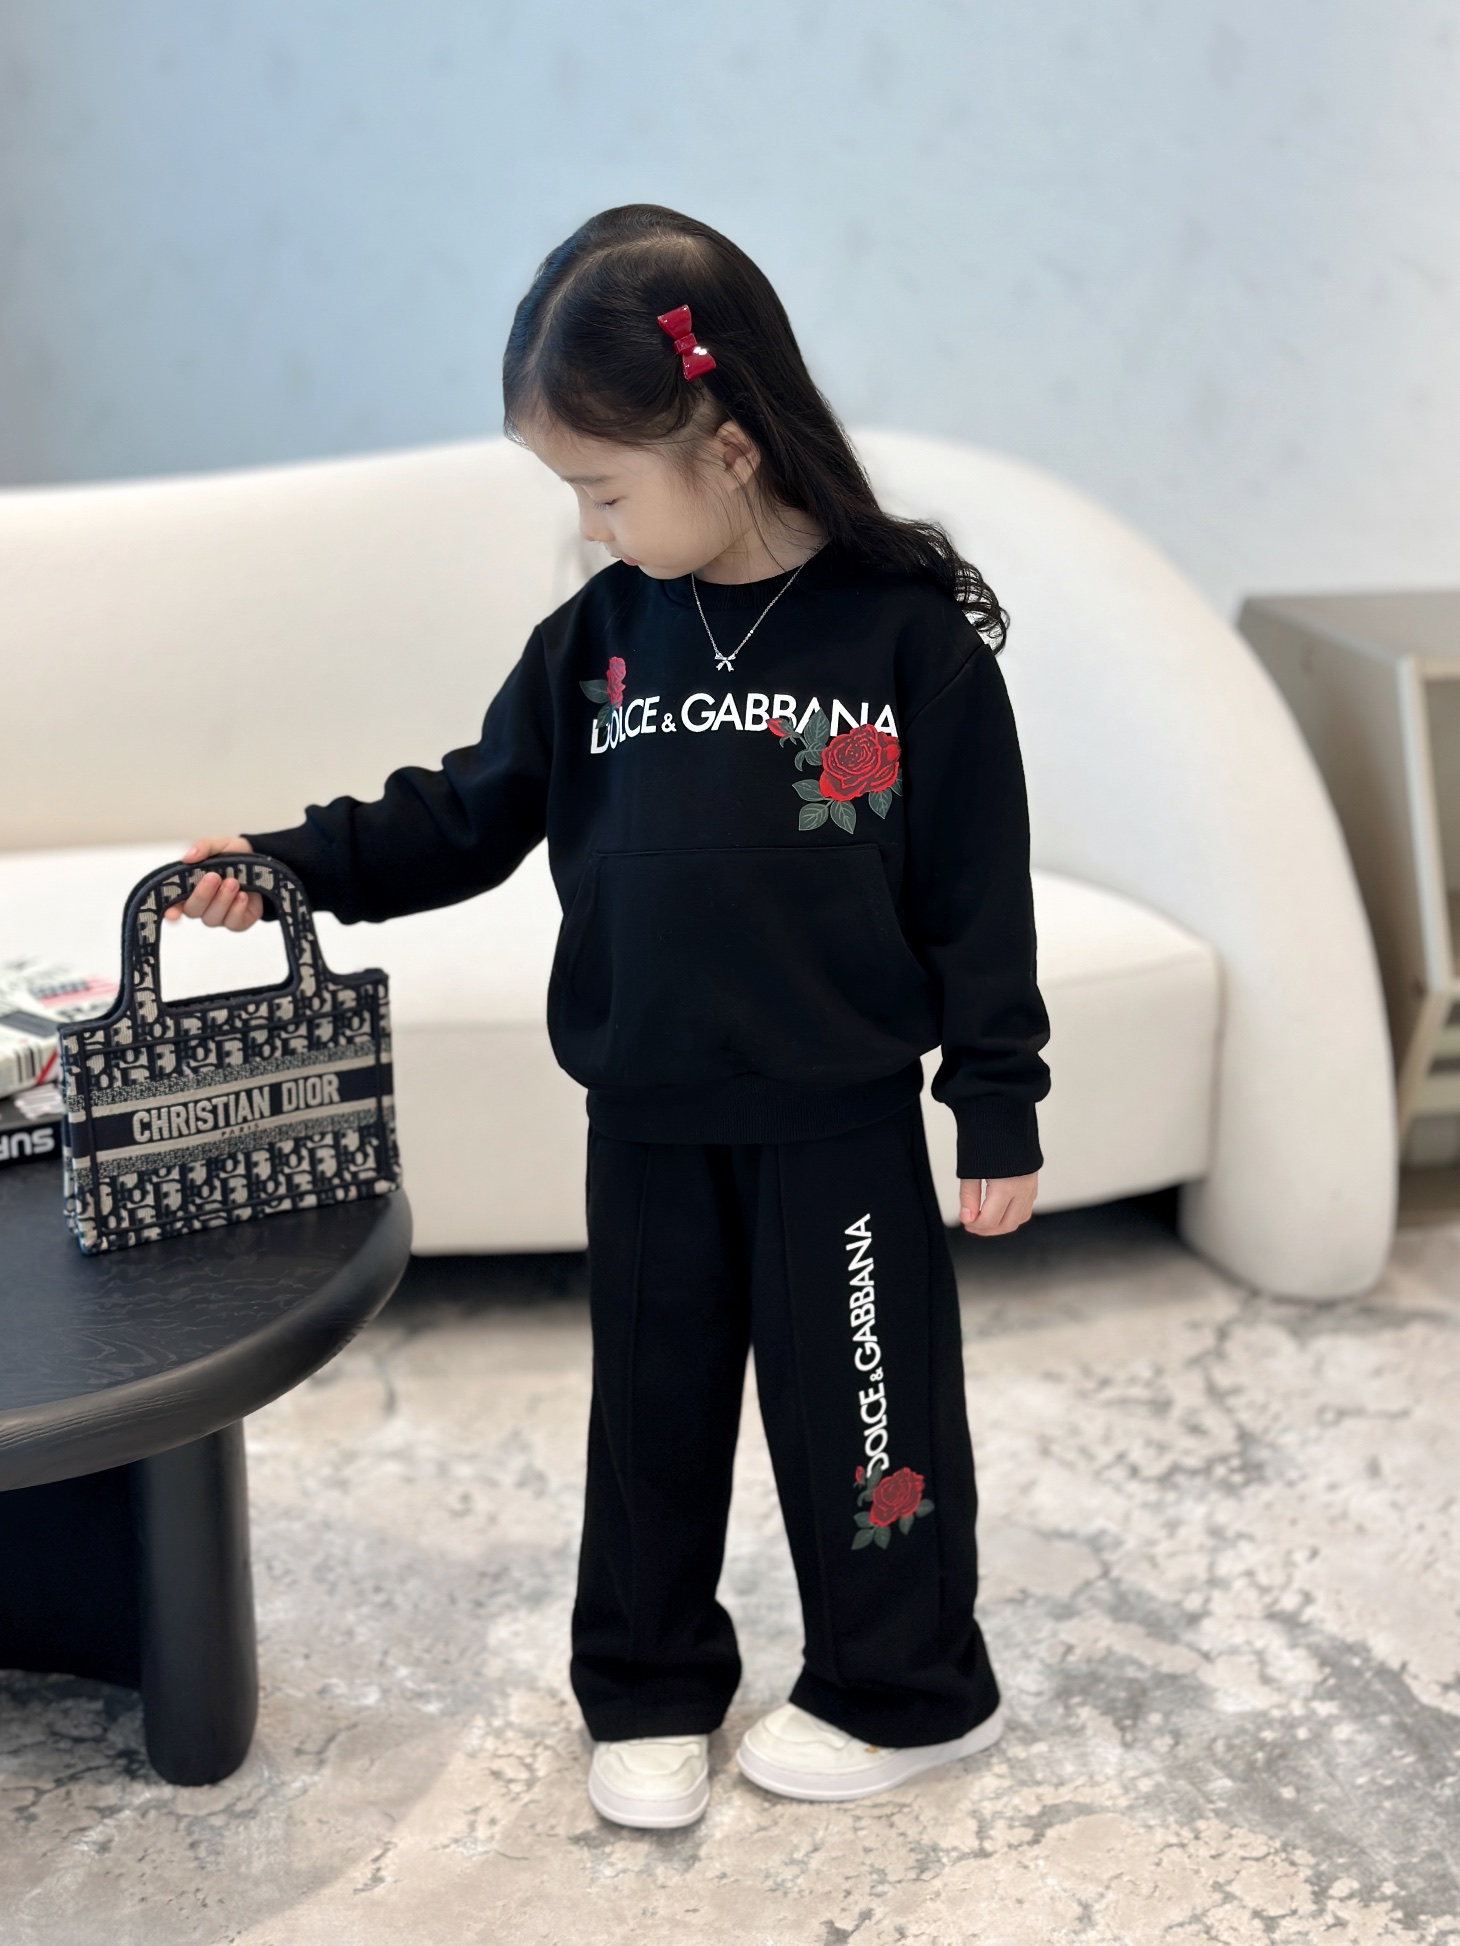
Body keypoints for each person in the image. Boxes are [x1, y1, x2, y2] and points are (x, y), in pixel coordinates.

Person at [165, 205, 1051, 1831]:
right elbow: (462, 814)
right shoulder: (595, 648)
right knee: (649, 1418)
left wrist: (996, 1101)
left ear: (729, 446)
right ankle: (646, 1685)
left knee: (867, 1413)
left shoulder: (906, 644)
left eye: (604, 490)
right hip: (644, 1114)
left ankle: (909, 1688)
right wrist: (289, 862)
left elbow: (979, 896)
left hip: (840, 1122)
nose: (587, 527)